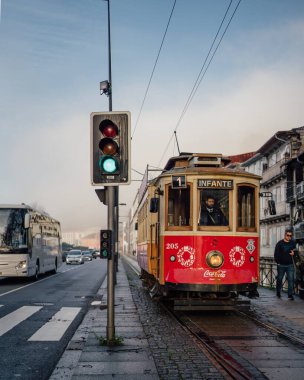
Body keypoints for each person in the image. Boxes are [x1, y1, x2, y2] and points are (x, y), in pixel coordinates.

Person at [274, 229, 296, 300]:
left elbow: (295, 252)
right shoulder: (279, 243)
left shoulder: (292, 243)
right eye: (288, 235)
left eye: (290, 236)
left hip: (290, 265)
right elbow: (276, 254)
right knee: (280, 279)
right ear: (285, 235)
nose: (289, 237)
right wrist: (278, 262)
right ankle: (278, 292)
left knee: (290, 280)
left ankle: (290, 295)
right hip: (281, 265)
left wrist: (294, 254)